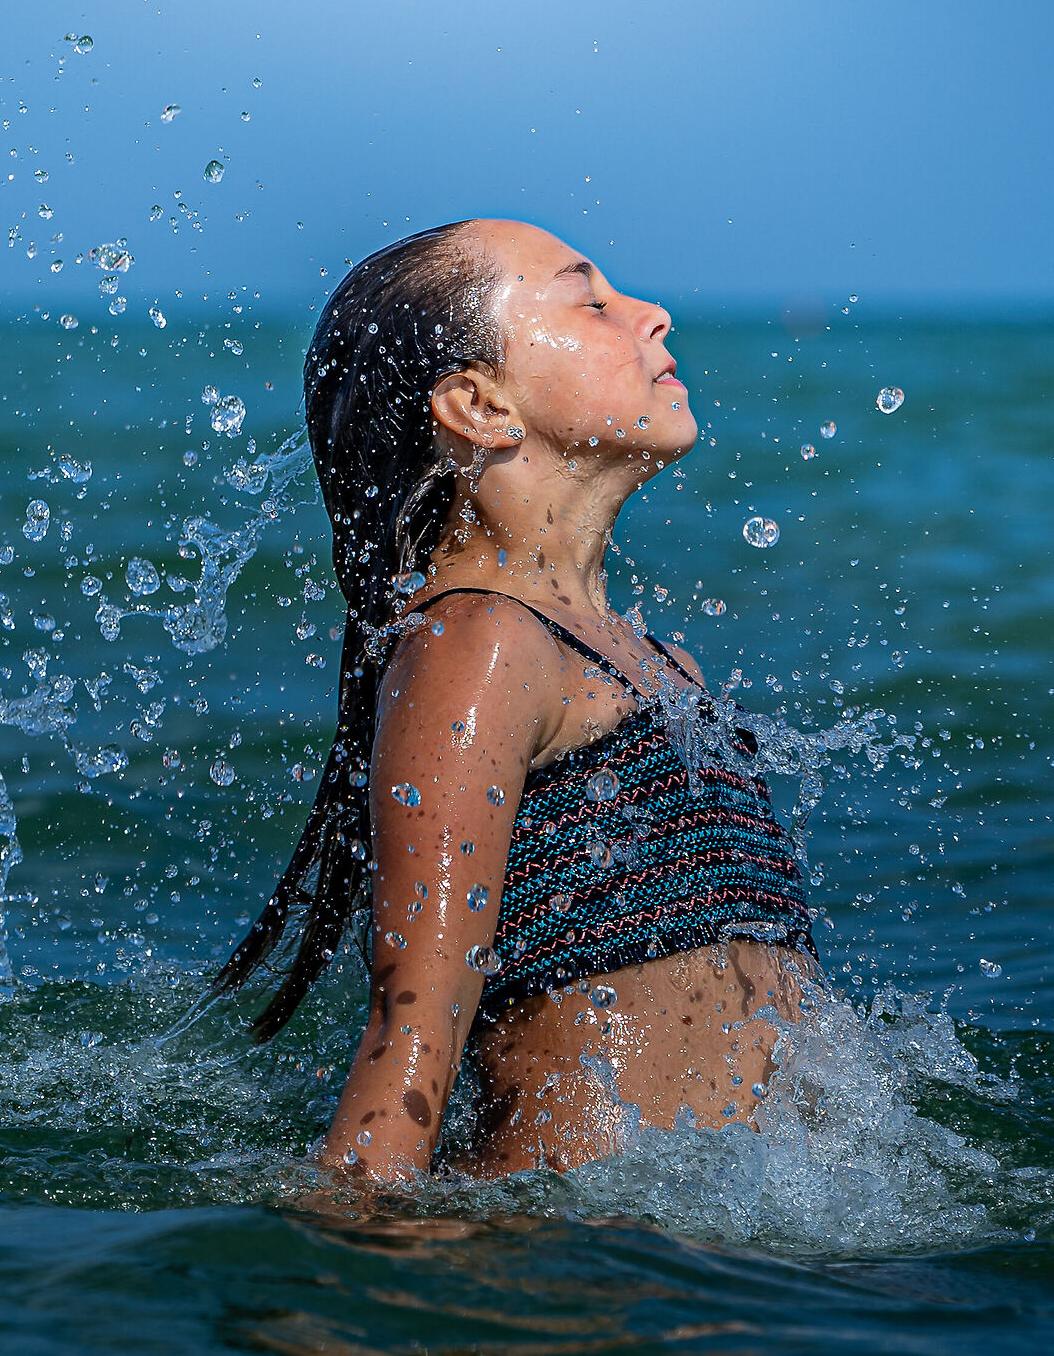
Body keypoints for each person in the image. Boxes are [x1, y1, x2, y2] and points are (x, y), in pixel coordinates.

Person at [211, 219, 817, 1181]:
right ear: (480, 403)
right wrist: (341, 1290)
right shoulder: (479, 647)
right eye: (593, 302)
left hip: (731, 1255)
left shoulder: (666, 670)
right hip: (567, 1266)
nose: (653, 315)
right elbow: (410, 1035)